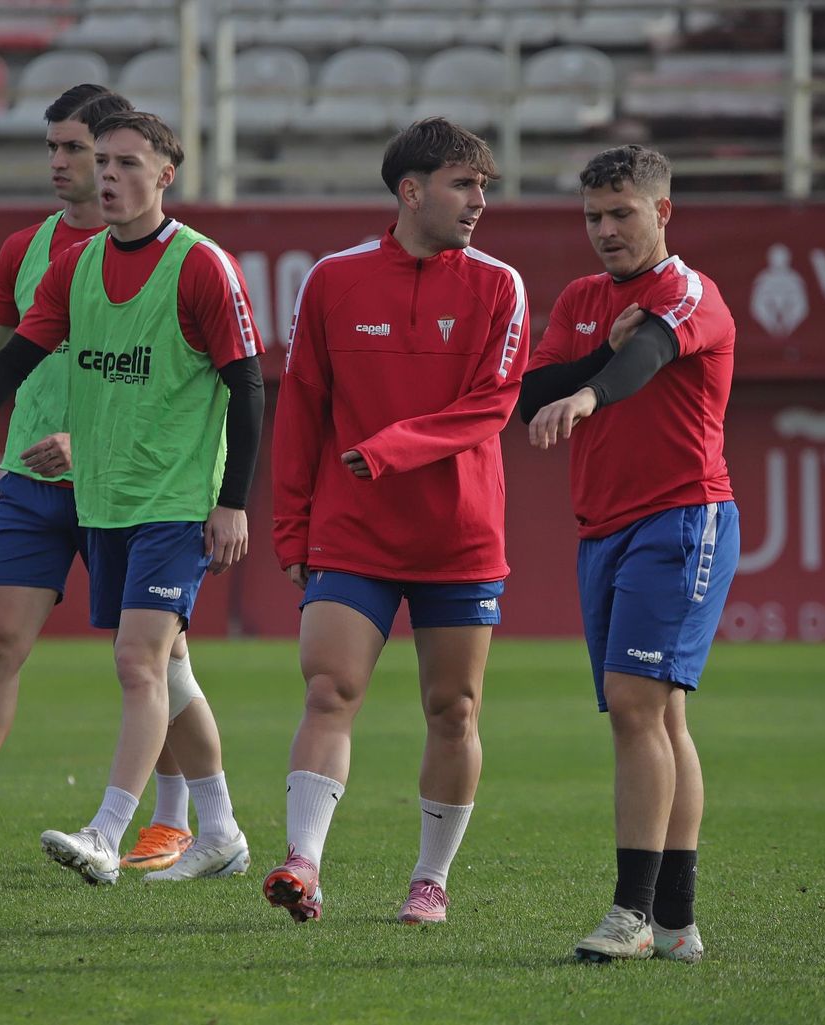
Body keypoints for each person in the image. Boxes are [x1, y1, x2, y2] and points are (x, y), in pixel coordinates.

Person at [0, 110, 264, 886]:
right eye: (105, 162)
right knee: (165, 670)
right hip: (104, 499)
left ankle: (111, 830)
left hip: (174, 497)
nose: (107, 175)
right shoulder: (73, 266)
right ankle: (219, 827)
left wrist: (231, 501)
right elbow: (11, 361)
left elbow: (248, 386)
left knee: (138, 662)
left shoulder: (201, 265)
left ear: (166, 174)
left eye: (126, 162)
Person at [264, 118, 529, 926]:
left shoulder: (499, 284)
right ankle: (303, 863)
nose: (480, 201)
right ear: (411, 191)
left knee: (454, 710)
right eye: (464, 184)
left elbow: (493, 404)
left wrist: (393, 448)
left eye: (484, 185)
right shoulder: (333, 280)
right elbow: (301, 409)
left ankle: (430, 880)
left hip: (460, 532)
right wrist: (290, 525)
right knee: (329, 687)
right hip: (353, 532)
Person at [518, 144, 739, 964]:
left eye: (621, 214)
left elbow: (647, 357)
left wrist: (593, 387)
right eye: (592, 217)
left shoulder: (688, 291)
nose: (605, 230)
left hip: (681, 519)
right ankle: (678, 923)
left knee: (637, 705)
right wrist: (585, 368)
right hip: (602, 528)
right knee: (658, 715)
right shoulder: (579, 298)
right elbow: (526, 395)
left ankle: (632, 913)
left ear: (663, 213)